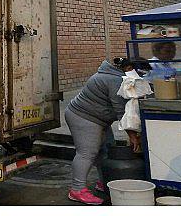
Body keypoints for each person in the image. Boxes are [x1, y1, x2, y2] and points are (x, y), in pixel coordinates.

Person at [63, 57, 148, 205]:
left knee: (106, 151)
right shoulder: (114, 80)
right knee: (87, 153)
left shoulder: (117, 76)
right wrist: (133, 136)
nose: (140, 76)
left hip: (99, 119)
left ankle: (105, 182)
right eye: (139, 72)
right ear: (128, 68)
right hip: (83, 117)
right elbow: (122, 112)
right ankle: (77, 190)